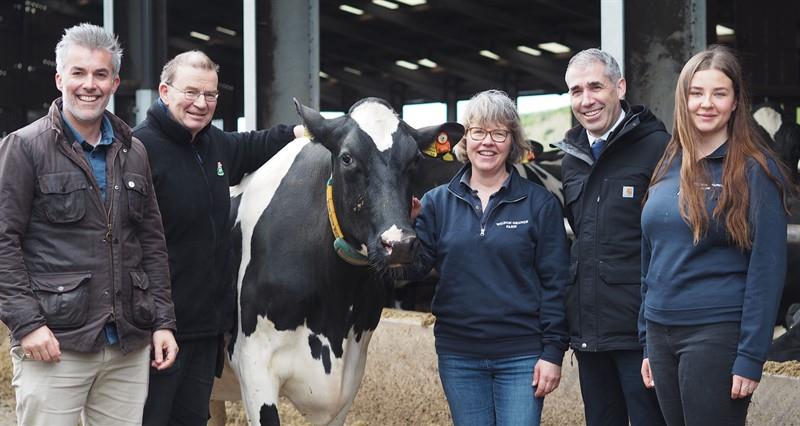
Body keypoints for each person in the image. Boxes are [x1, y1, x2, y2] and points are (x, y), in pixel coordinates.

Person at [0, 23, 178, 426]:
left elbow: (151, 242)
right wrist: (28, 325)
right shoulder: (24, 147)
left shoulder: (134, 151)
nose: (89, 85)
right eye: (78, 73)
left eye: (100, 74)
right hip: (55, 342)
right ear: (60, 77)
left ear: (115, 82)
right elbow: (3, 241)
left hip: (127, 345)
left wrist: (163, 322)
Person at [132, 50, 303, 425]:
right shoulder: (137, 150)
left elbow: (258, 143)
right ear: (164, 90)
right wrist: (150, 322)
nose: (200, 103)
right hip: (155, 333)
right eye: (190, 92)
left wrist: (304, 130)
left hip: (205, 332)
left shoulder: (214, 146)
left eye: (210, 95)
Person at [639, 45, 791, 426]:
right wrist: (646, 339)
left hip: (715, 333)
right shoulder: (668, 163)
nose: (706, 104)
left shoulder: (755, 170)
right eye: (697, 92)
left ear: (736, 102)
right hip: (660, 333)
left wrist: (752, 355)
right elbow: (650, 257)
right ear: (683, 99)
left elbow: (767, 269)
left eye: (719, 93)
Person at [408, 89, 569, 425]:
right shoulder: (436, 203)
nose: (487, 142)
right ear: (465, 139)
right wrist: (402, 230)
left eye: (499, 133)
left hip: (522, 355)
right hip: (459, 355)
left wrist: (553, 352)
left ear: (513, 141)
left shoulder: (539, 204)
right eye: (478, 132)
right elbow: (414, 269)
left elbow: (556, 283)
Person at [555, 48, 668, 426]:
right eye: (575, 91)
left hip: (640, 334)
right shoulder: (571, 158)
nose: (586, 100)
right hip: (589, 334)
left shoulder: (659, 149)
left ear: (619, 87)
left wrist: (656, 333)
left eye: (595, 87)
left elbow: (670, 243)